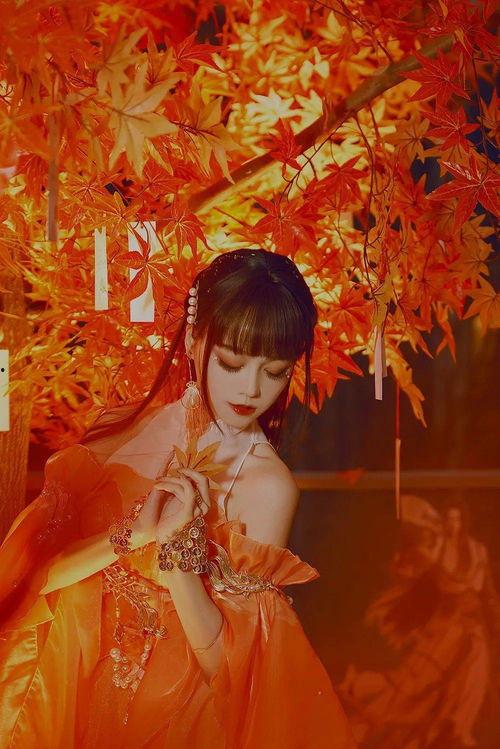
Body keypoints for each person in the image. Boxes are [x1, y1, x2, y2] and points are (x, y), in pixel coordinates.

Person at [0, 249, 357, 748]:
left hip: (175, 718)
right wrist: (135, 534)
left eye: (275, 371)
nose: (252, 389)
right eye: (232, 362)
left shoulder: (267, 485)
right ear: (193, 338)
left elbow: (230, 668)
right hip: (70, 689)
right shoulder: (122, 428)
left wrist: (177, 556)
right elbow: (36, 580)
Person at [339, 495, 500, 749]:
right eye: (449, 519)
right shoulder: (436, 549)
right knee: (416, 684)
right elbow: (417, 575)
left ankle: (458, 727)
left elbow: (487, 590)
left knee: (474, 676)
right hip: (446, 625)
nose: (453, 524)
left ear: (463, 522)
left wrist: (494, 616)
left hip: (472, 626)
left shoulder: (477, 550)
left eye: (457, 519)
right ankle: (360, 694)